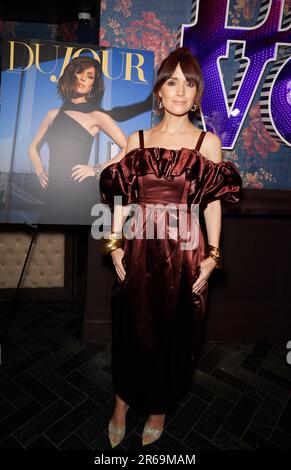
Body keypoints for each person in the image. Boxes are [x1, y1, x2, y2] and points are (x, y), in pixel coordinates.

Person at [99, 47, 242, 447]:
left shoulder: (208, 143)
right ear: (159, 90)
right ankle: (121, 406)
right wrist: (113, 245)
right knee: (129, 330)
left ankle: (159, 409)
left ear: (197, 94)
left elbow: (213, 204)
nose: (181, 91)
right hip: (138, 248)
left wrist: (213, 256)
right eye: (172, 81)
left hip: (185, 253)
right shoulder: (137, 139)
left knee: (174, 335)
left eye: (190, 83)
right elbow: (120, 199)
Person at [28, 56, 127, 225]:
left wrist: (97, 169)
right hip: (53, 194)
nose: (83, 78)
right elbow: (32, 148)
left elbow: (129, 147)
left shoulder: (97, 115)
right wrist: (39, 172)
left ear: (92, 86)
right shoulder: (53, 114)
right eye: (80, 72)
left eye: (90, 77)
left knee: (79, 249)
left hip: (81, 194)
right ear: (71, 74)